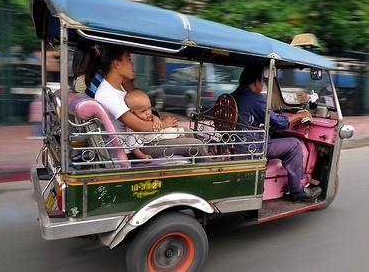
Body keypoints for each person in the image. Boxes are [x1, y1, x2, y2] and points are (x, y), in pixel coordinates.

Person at [93, 43, 227, 162]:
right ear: (117, 64)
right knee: (194, 144)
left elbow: (139, 108)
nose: (132, 65)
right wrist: (163, 124)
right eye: (129, 60)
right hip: (137, 149)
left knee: (187, 131)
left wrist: (154, 117)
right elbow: (140, 126)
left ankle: (206, 157)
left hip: (146, 138)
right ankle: (211, 164)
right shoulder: (107, 94)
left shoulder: (119, 87)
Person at [230, 65, 322, 201]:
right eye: (262, 81)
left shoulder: (235, 94)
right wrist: (299, 115)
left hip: (235, 142)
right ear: (257, 81)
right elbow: (278, 122)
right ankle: (297, 191)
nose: (262, 85)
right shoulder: (253, 97)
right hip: (251, 146)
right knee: (294, 145)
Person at [124, 88, 187, 160]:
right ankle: (180, 134)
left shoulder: (146, 117)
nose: (148, 112)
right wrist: (142, 156)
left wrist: (154, 117)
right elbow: (133, 146)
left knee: (186, 131)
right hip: (154, 140)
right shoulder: (132, 127)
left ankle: (180, 133)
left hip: (158, 134)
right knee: (176, 134)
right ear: (132, 112)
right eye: (143, 111)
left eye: (149, 108)